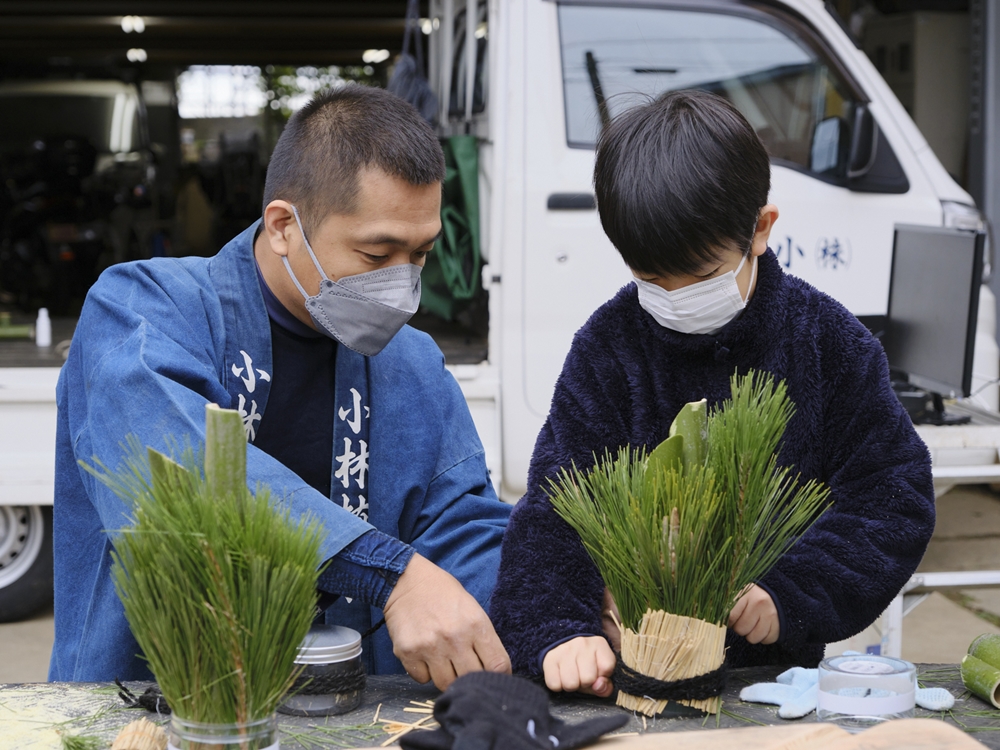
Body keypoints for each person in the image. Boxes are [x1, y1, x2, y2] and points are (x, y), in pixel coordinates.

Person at [51, 85, 512, 688]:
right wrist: (392, 574)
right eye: (377, 253)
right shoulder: (141, 307)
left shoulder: (413, 361)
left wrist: (557, 600)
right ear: (282, 226)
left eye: (419, 254)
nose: (401, 284)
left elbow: (462, 525)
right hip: (157, 705)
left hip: (348, 710)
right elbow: (178, 475)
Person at [489, 90, 935, 698]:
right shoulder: (608, 346)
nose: (673, 297)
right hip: (626, 676)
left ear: (760, 229)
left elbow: (892, 495)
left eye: (698, 277)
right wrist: (557, 632)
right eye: (649, 279)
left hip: (773, 681)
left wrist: (792, 593)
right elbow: (552, 510)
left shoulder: (827, 342)